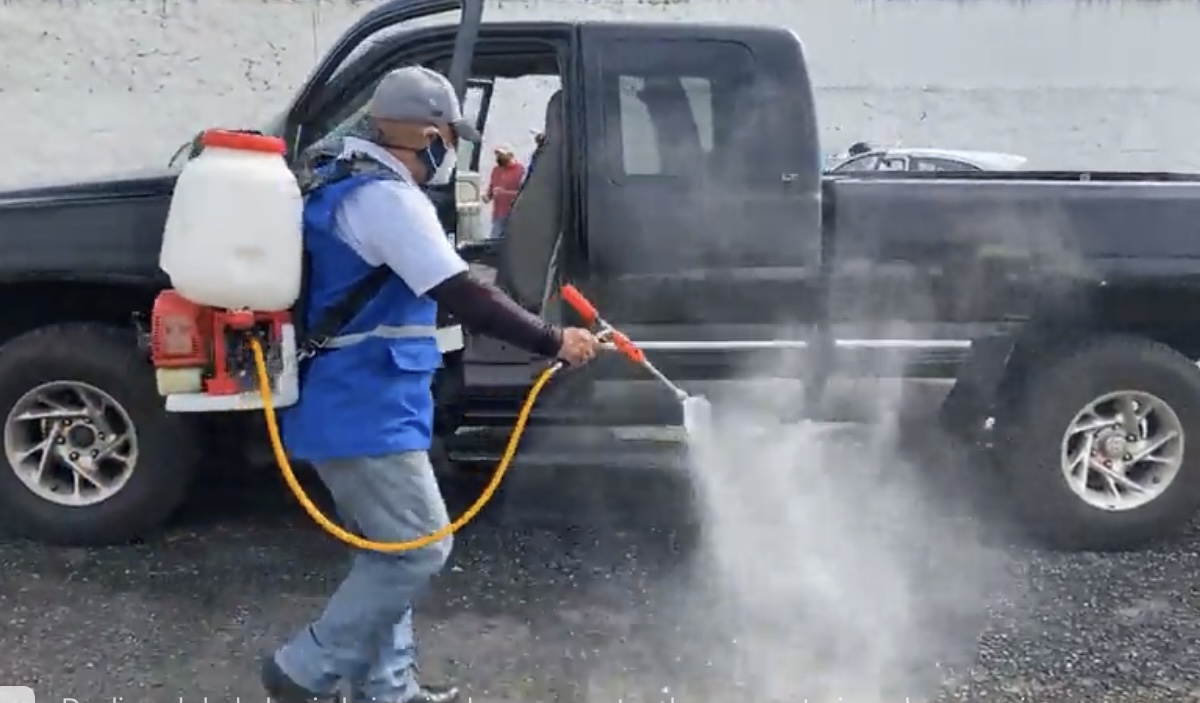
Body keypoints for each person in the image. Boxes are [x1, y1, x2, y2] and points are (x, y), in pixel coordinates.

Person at [261, 65, 602, 703]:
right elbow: (461, 293)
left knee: (392, 550)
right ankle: (302, 670)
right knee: (420, 549)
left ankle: (388, 690)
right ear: (426, 132)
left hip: (363, 399)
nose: (454, 148)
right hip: (361, 404)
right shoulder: (383, 198)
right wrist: (555, 340)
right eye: (451, 133)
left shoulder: (351, 185)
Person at [482, 145, 524, 239]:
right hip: (498, 214)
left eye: (501, 155)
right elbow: (492, 190)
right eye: (497, 155)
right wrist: (487, 197)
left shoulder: (520, 170)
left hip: (514, 213)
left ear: (510, 155)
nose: (498, 158)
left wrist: (504, 192)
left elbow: (523, 194)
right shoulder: (496, 170)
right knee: (494, 239)